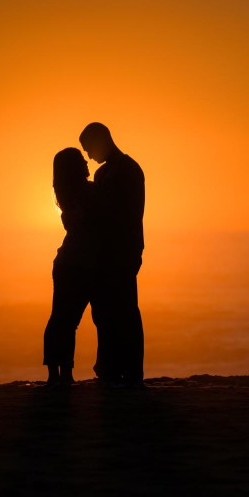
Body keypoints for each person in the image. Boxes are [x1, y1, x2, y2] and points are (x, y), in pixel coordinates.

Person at [79, 122, 145, 386]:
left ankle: (131, 371)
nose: (89, 156)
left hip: (123, 250)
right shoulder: (105, 173)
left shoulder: (128, 170)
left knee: (125, 311)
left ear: (102, 140)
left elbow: (125, 214)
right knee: (105, 312)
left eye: (89, 149)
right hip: (105, 252)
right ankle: (109, 367)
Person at [42, 147, 101, 387]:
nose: (87, 162)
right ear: (73, 168)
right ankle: (62, 374)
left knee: (62, 321)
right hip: (77, 265)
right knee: (65, 322)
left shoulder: (66, 195)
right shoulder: (87, 192)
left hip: (70, 264)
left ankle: (59, 374)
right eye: (80, 160)